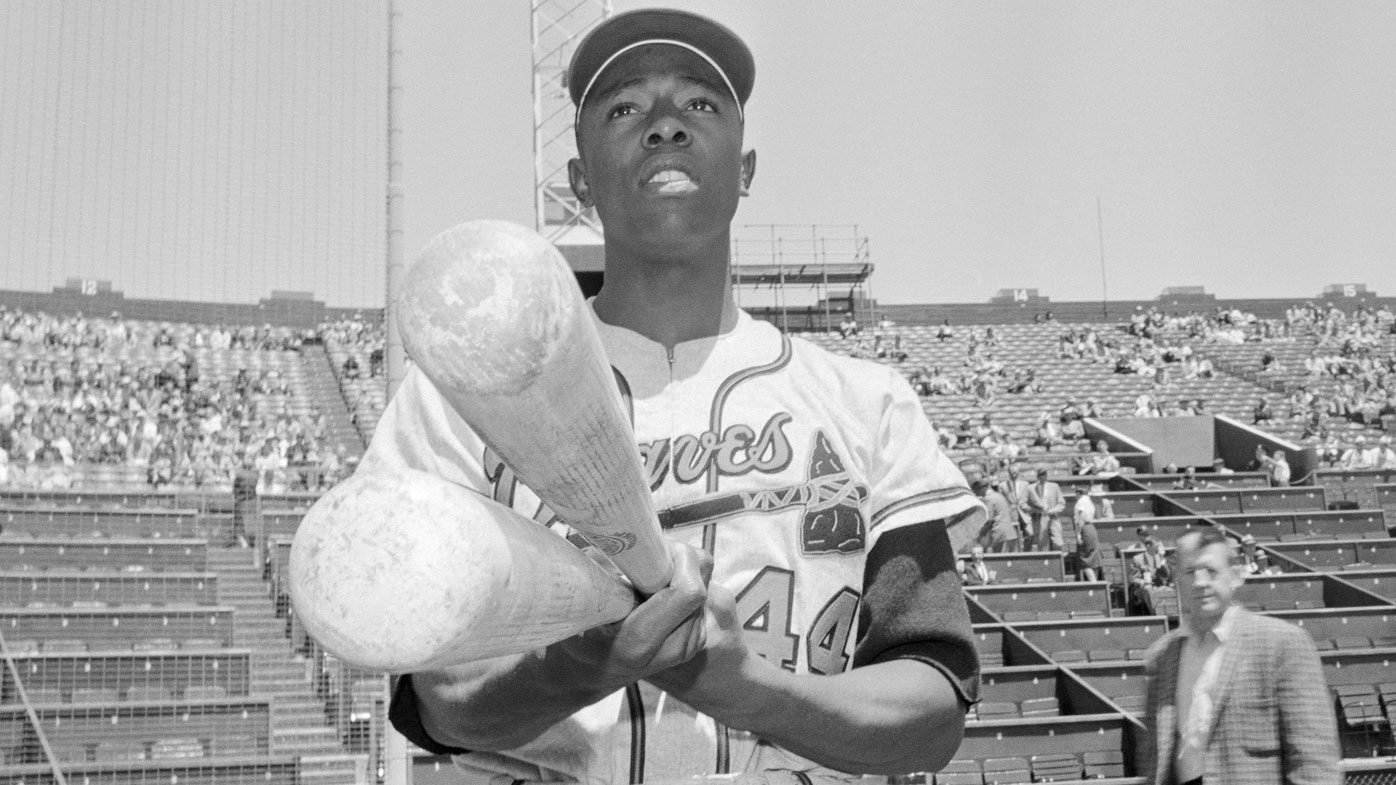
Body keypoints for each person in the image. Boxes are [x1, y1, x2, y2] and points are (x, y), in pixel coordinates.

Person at [377, 10, 985, 783]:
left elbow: (933, 708)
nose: (664, 125)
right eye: (625, 108)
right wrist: (582, 664)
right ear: (578, 180)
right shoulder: (465, 395)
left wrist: (754, 692)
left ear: (746, 167)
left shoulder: (867, 403)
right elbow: (439, 703)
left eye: (699, 103)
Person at [1140, 529, 1339, 785]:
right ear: (1177, 580)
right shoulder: (1162, 656)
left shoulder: (1282, 644)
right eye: (1190, 572)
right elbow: (1153, 763)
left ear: (1235, 576)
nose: (1200, 582)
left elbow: (1313, 762)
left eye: (1211, 571)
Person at [973, 476, 1017, 553]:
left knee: (1001, 562)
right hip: (1010, 533)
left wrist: (980, 534)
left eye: (977, 491)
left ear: (983, 488)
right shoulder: (999, 495)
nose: (977, 494)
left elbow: (989, 520)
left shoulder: (989, 499)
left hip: (1000, 535)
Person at [1026, 468, 1065, 551]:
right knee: (1042, 544)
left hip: (1052, 517)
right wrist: (1036, 511)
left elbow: (1061, 503)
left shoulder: (1054, 486)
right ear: (1037, 476)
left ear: (1047, 475)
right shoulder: (1031, 488)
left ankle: (1057, 560)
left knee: (1057, 542)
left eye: (1044, 474)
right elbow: (1026, 505)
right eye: (1040, 475)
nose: (1042, 477)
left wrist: (1052, 511)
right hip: (1039, 518)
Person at [1072, 488, 1101, 582]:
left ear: (1079, 494)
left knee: (1084, 559)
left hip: (1084, 529)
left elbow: (1081, 518)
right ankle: (1095, 581)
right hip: (1092, 528)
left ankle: (1094, 582)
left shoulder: (1081, 502)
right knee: (1093, 557)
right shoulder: (1090, 502)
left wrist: (1078, 534)